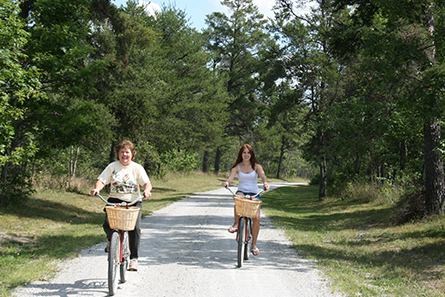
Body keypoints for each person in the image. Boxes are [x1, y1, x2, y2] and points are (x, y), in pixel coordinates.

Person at [91, 140, 152, 271]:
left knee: (134, 229)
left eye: (127, 152)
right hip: (115, 200)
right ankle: (111, 241)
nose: (124, 154)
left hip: (133, 201)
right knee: (108, 224)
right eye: (122, 152)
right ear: (118, 154)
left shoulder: (137, 168)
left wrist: (146, 190)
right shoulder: (112, 167)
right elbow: (102, 180)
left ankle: (133, 259)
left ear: (132, 154)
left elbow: (146, 183)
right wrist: (97, 189)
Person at [222, 144, 270, 256]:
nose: (246, 155)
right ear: (241, 154)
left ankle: (253, 245)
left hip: (254, 193)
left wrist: (265, 183)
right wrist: (227, 183)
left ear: (251, 154)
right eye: (244, 152)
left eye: (248, 152)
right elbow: (230, 178)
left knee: (256, 218)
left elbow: (263, 176)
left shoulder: (257, 166)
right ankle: (235, 224)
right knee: (238, 199)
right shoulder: (237, 167)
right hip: (242, 191)